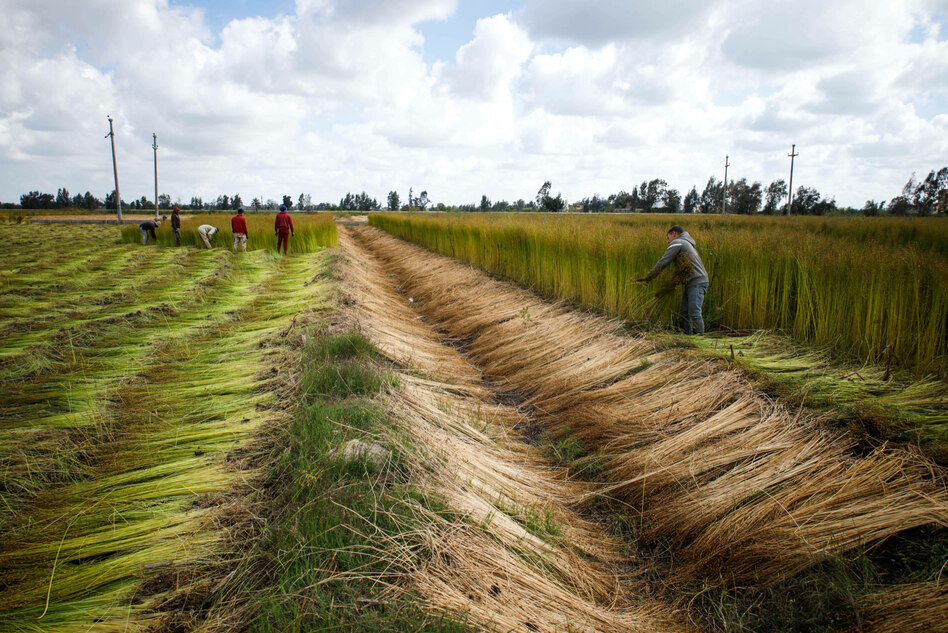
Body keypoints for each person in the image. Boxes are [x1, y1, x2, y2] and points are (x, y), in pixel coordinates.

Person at [637, 225, 710, 335]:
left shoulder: (678, 242)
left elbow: (664, 261)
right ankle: (689, 338)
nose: (668, 241)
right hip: (692, 282)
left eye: (668, 238)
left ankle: (701, 340)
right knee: (685, 313)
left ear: (674, 234)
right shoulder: (686, 243)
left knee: (694, 313)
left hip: (697, 282)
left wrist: (649, 277)